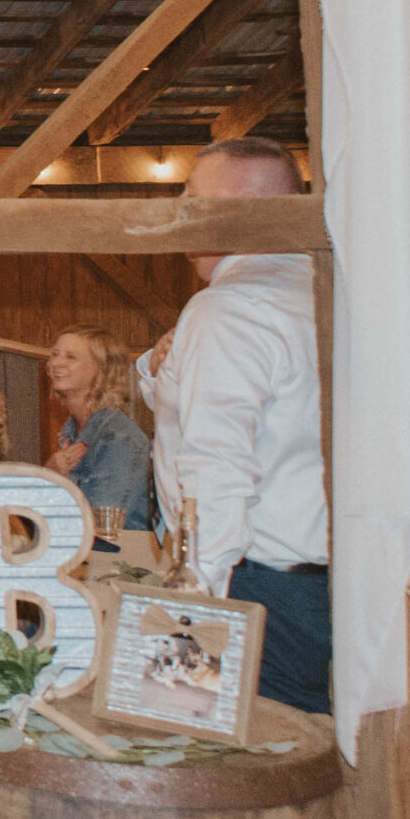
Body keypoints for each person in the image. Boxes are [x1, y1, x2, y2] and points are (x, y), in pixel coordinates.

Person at [135, 136, 329, 714]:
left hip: (258, 591)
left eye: (192, 200)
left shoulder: (229, 309)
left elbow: (215, 476)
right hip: (336, 586)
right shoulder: (323, 297)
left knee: (239, 777)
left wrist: (185, 641)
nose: (182, 214)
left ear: (238, 210)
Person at [45, 323, 154, 532]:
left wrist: (52, 482)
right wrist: (49, 474)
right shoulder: (72, 431)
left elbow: (100, 527)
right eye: (55, 354)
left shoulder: (119, 439)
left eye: (71, 357)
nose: (56, 363)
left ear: (102, 368)